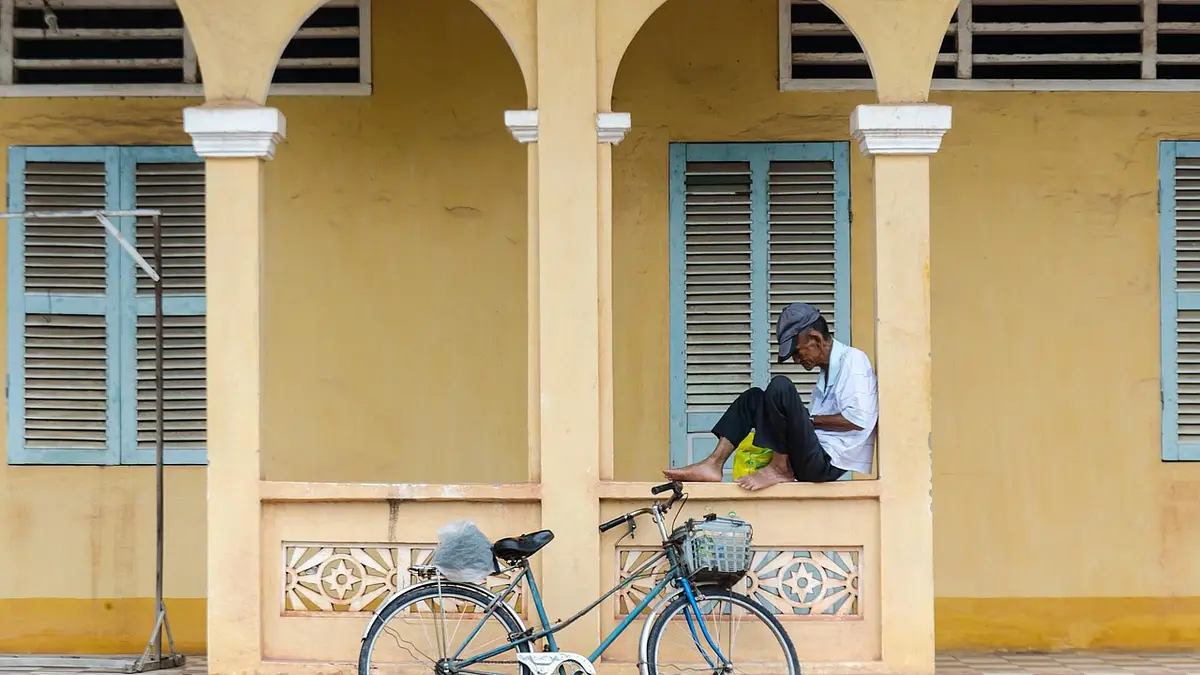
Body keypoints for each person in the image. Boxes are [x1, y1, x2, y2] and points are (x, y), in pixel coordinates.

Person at [663, 302, 879, 491]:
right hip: (812, 455)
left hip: (826, 463)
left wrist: (807, 420)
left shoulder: (853, 360)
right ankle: (713, 464)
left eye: (797, 352)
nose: (796, 360)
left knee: (780, 386)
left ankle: (779, 468)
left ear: (815, 339)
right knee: (754, 397)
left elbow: (858, 420)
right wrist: (798, 421)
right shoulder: (826, 374)